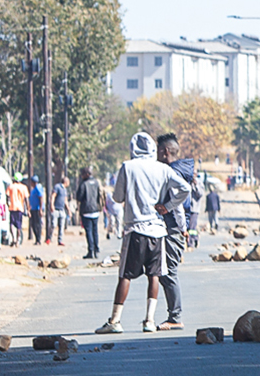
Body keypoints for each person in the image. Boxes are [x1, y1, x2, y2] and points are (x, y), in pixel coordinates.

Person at [97, 132, 191, 334]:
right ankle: (149, 320)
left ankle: (115, 320)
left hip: (135, 229)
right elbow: (184, 188)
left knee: (125, 276)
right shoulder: (163, 169)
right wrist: (167, 206)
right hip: (157, 230)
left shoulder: (128, 167)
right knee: (154, 276)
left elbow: (118, 197)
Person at [154, 134, 197, 329]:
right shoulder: (177, 170)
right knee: (163, 272)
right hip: (175, 227)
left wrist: (181, 227)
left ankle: (175, 317)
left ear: (165, 152)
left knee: (168, 272)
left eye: (157, 150)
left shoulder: (172, 171)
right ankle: (173, 315)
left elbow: (179, 204)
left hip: (173, 228)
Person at [76, 167, 104, 259]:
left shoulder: (83, 184)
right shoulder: (96, 183)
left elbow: (79, 197)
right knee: (95, 231)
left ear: (86, 174)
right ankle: (96, 249)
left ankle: (90, 250)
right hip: (95, 210)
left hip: (86, 210)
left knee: (89, 232)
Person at [7, 175, 29, 246]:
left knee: (11, 224)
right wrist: (28, 209)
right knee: (19, 226)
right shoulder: (24, 187)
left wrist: (8, 204)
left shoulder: (11, 186)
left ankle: (13, 237)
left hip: (12, 208)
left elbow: (7, 197)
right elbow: (26, 199)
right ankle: (17, 240)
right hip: (20, 208)